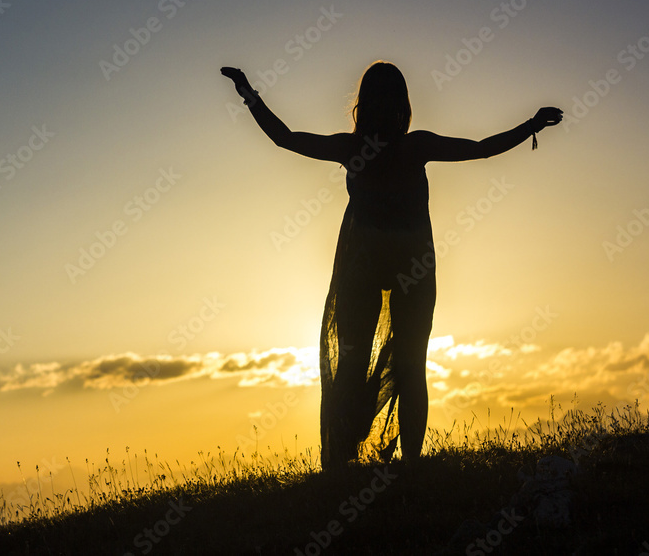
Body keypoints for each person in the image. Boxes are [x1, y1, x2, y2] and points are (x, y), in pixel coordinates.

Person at [221, 61, 563, 470]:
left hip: (390, 266)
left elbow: (286, 139)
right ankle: (393, 464)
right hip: (389, 266)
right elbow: (480, 148)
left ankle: (363, 464)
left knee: (383, 364)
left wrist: (250, 94)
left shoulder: (383, 148)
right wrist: (530, 126)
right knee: (398, 365)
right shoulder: (407, 147)